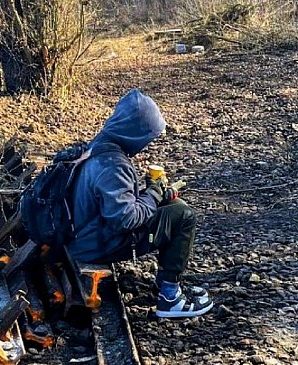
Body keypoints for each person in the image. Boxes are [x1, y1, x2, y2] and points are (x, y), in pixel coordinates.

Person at [66, 88, 214, 318]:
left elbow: (112, 201)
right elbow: (125, 220)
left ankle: (164, 282)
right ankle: (169, 298)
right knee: (184, 216)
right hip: (93, 245)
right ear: (134, 133)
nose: (147, 144)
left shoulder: (97, 146)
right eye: (147, 137)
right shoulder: (114, 165)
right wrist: (154, 192)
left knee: (171, 207)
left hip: (79, 233)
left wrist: (153, 194)